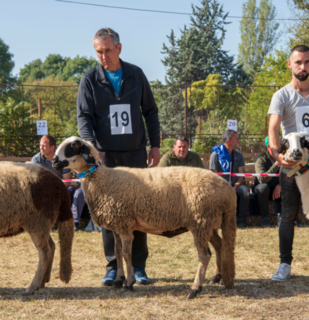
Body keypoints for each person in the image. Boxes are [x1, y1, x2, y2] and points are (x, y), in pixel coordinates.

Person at [77, 28, 160, 286]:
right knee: (109, 214)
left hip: (135, 155)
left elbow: (151, 111)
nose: (103, 56)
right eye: (99, 52)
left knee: (138, 211)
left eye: (108, 50)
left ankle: (139, 267)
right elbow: (84, 117)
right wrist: (91, 146)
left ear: (119, 48)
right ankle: (113, 267)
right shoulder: (89, 80)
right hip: (105, 158)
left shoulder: (136, 74)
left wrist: (155, 146)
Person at [268, 44, 309, 282]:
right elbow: (273, 128)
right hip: (292, 163)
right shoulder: (281, 95)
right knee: (288, 214)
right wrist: (276, 155)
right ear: (289, 64)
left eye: (307, 62)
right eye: (298, 62)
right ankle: (285, 263)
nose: (303, 67)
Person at [209, 130, 250, 228]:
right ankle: (218, 221)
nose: (238, 141)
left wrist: (235, 188)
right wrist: (225, 188)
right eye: (236, 139)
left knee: (245, 191)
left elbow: (242, 176)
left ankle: (241, 220)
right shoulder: (215, 155)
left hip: (235, 186)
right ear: (228, 141)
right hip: (220, 187)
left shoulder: (238, 155)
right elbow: (212, 176)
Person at [253, 136, 281, 228]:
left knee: (292, 185)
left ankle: (293, 218)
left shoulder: (284, 157)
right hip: (262, 190)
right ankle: (265, 218)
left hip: (278, 190)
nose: (280, 146)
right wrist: (277, 164)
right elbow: (262, 179)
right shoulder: (260, 159)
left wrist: (280, 185)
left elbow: (290, 174)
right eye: (277, 144)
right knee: (263, 187)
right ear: (269, 147)